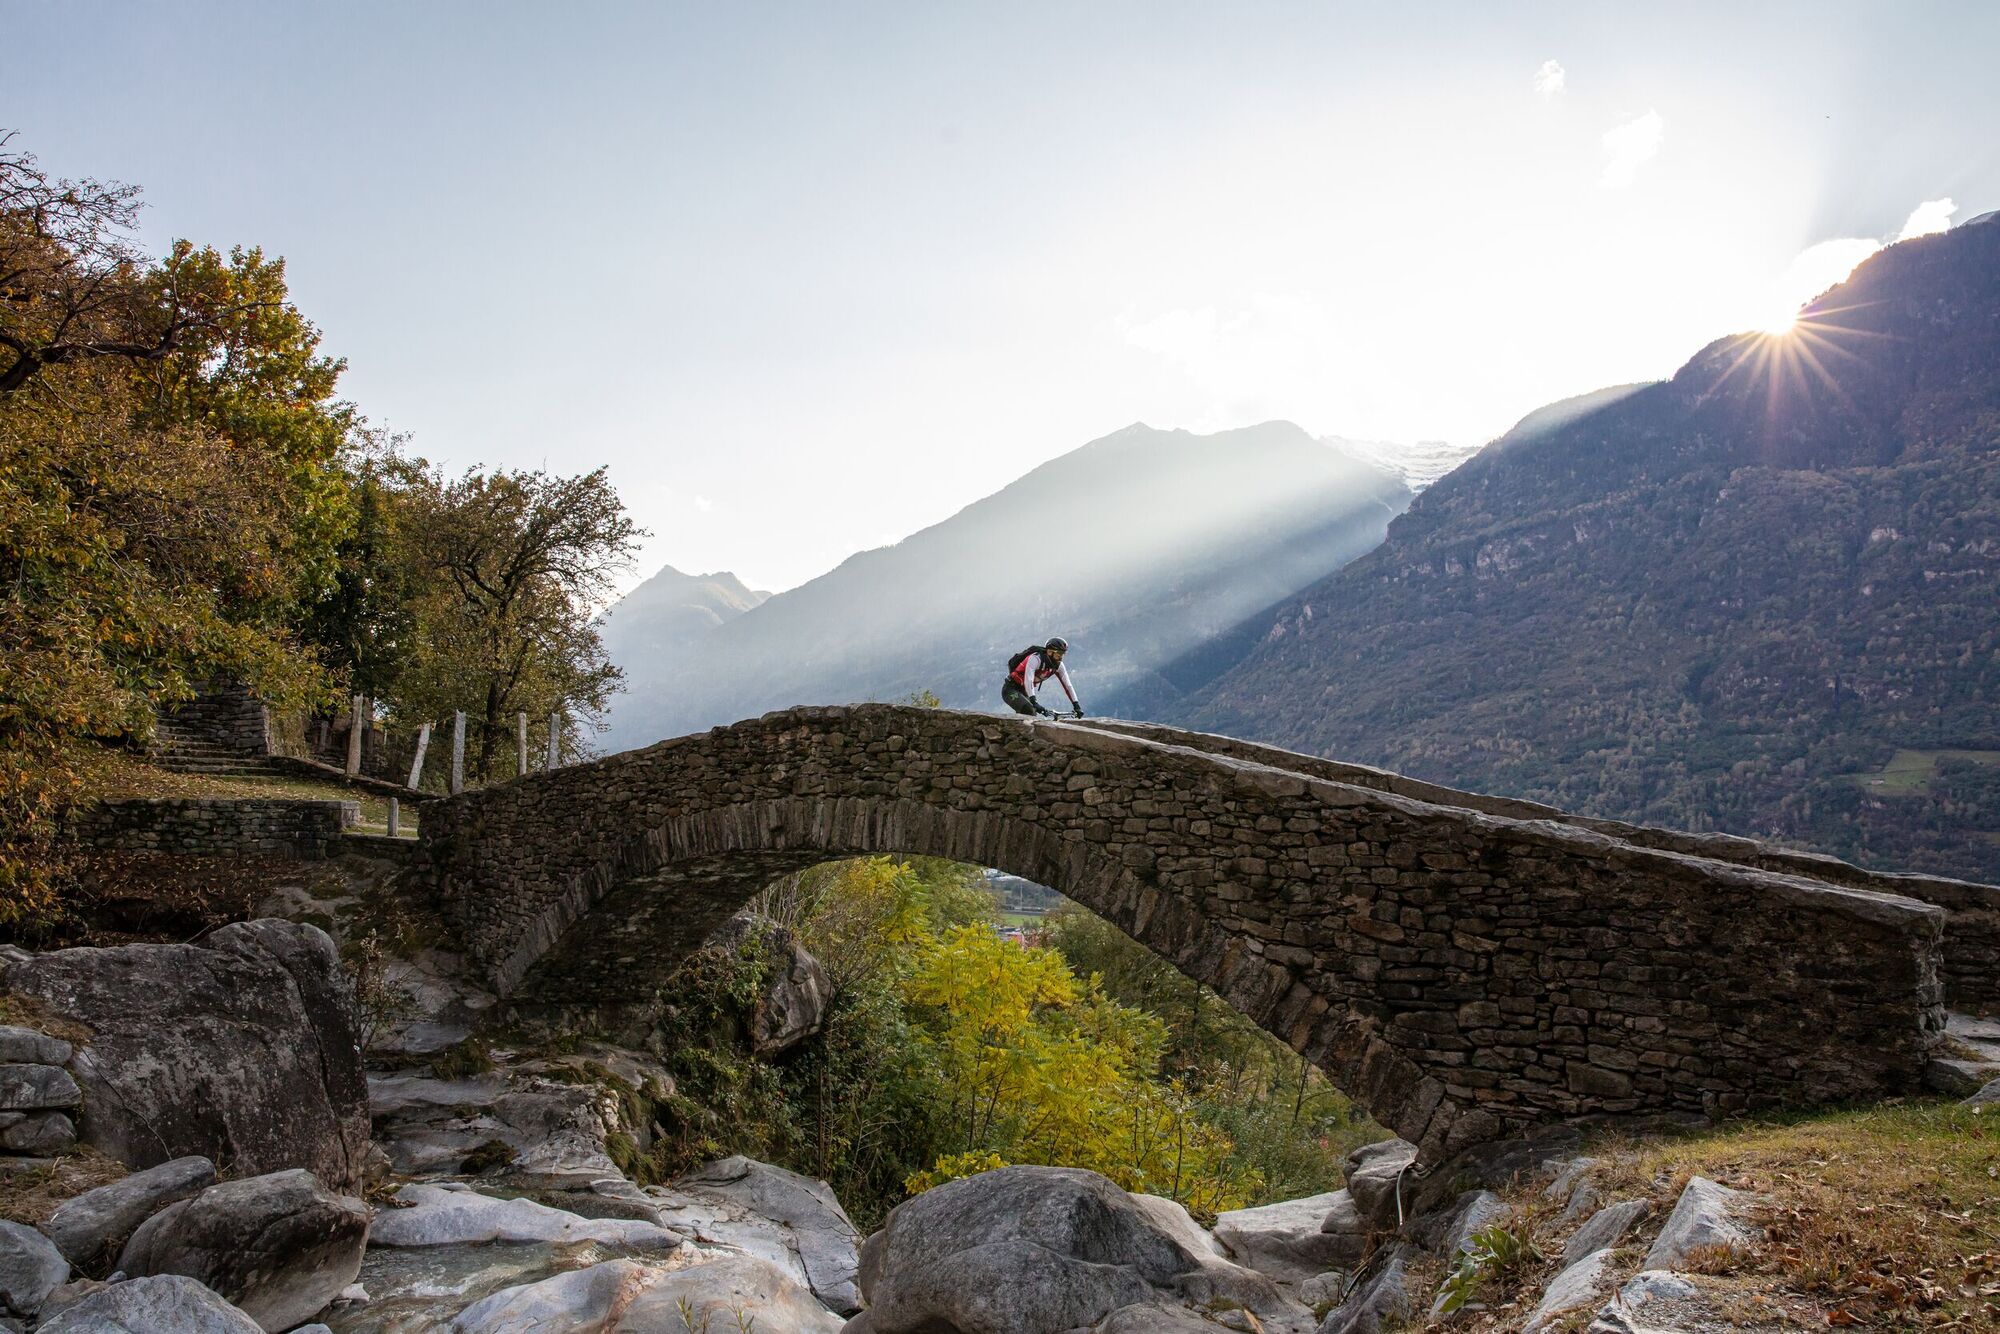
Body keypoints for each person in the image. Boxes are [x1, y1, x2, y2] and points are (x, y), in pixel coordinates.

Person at [1002, 636, 1084, 718]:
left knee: (1031, 715)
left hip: (1024, 691)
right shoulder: (1035, 659)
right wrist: (1034, 702)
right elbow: (1029, 680)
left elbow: (1068, 686)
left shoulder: (1059, 666)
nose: (1061, 657)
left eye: (1063, 654)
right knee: (1029, 711)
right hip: (1010, 689)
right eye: (1059, 653)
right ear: (1050, 652)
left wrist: (1076, 705)